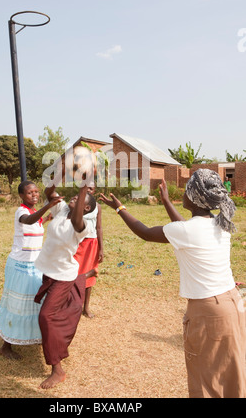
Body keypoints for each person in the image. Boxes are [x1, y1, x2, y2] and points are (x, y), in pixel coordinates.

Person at [100, 169, 246, 398]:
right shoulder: (221, 223)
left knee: (205, 380)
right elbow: (184, 229)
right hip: (233, 304)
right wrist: (166, 201)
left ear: (195, 197)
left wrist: (119, 208)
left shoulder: (187, 231)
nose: (184, 194)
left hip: (208, 310)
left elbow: (145, 232)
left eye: (187, 189)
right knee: (231, 374)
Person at [34, 179, 98, 390]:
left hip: (63, 276)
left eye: (79, 199)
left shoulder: (83, 225)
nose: (73, 198)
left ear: (86, 207)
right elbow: (48, 192)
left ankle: (57, 370)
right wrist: (55, 179)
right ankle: (55, 345)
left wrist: (82, 190)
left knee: (46, 316)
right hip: (49, 270)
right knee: (51, 316)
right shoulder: (62, 211)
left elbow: (78, 218)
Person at [0, 181, 62, 360]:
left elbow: (37, 222)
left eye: (37, 192)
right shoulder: (22, 211)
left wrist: (47, 219)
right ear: (22, 196)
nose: (35, 195)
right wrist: (48, 206)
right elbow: (28, 221)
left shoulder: (34, 213)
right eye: (30, 193)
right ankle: (6, 346)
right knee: (17, 305)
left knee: (34, 303)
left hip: (35, 265)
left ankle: (31, 336)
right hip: (20, 266)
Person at [74, 185, 103, 318]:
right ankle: (73, 306)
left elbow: (99, 228)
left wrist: (101, 248)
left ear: (94, 191)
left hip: (92, 244)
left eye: (91, 189)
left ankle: (86, 308)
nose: (88, 191)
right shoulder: (75, 203)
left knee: (90, 276)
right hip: (77, 243)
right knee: (74, 274)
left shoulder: (98, 207)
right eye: (86, 188)